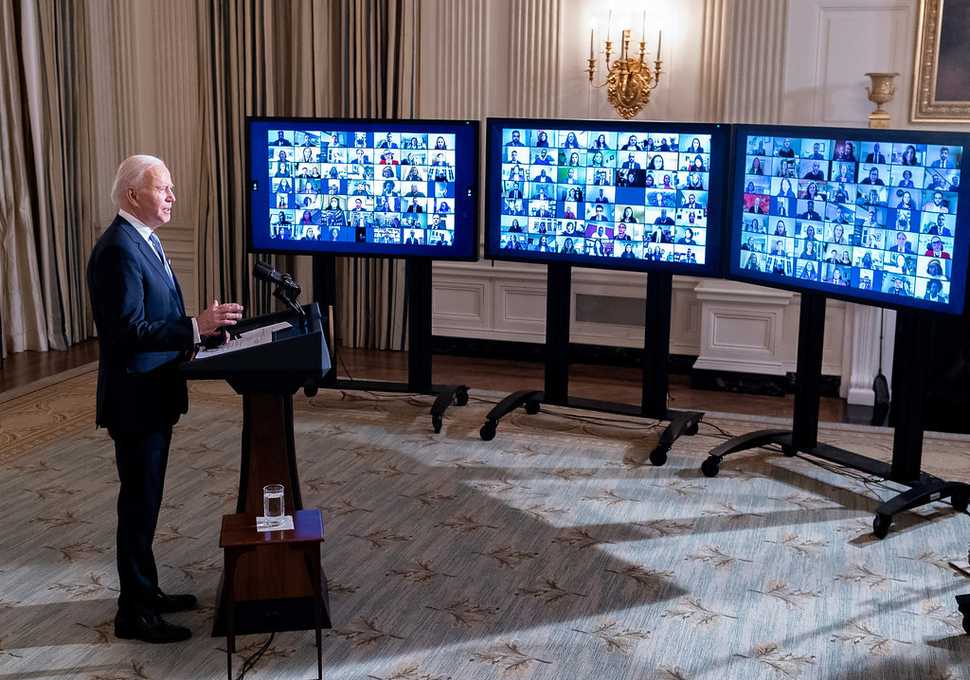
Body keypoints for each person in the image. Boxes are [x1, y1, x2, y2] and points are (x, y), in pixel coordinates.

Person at [87, 155, 244, 644]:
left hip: (154, 396)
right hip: (135, 402)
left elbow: (160, 318)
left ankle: (146, 592)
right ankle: (133, 614)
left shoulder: (144, 242)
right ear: (133, 195)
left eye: (172, 188)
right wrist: (194, 325)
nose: (173, 196)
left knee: (147, 502)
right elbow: (127, 332)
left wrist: (202, 335)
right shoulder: (118, 249)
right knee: (137, 506)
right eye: (164, 188)